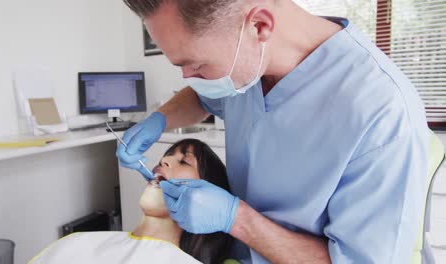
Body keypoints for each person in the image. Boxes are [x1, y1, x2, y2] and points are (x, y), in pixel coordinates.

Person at [117, 0, 430, 263]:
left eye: (197, 66)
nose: (189, 77)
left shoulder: (382, 113)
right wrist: (158, 119)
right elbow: (203, 95)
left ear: (260, 26)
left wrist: (235, 218)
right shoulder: (249, 62)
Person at [28, 139, 234, 264]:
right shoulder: (75, 243)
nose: (163, 161)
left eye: (184, 161)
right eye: (166, 156)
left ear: (206, 197)